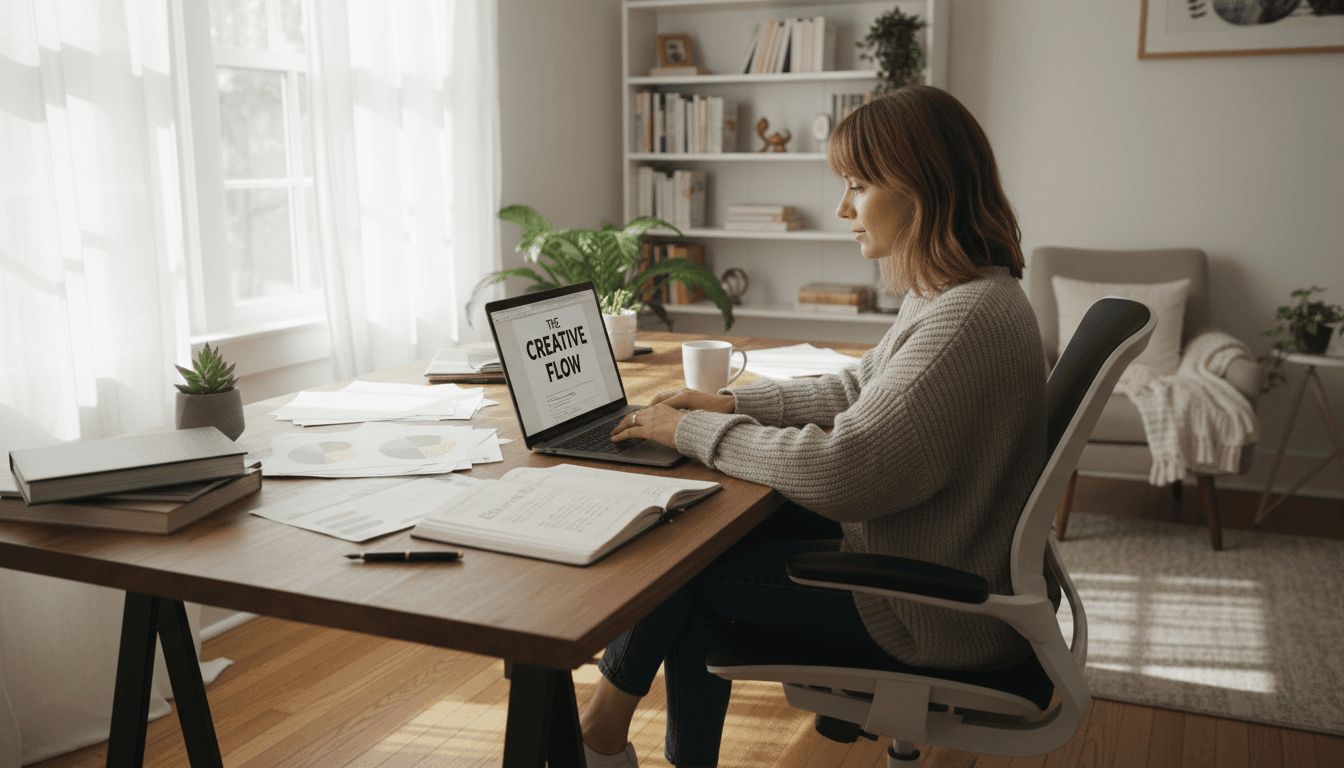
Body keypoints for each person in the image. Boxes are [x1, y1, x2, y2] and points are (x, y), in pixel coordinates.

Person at [589, 85, 1047, 768]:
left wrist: (688, 433)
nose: (842, 208)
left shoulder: (966, 318)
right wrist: (733, 407)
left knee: (683, 571)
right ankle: (602, 736)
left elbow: (842, 472)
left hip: (928, 612)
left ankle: (598, 736)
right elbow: (860, 387)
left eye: (858, 186)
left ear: (923, 189)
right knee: (698, 532)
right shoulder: (958, 292)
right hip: (927, 564)